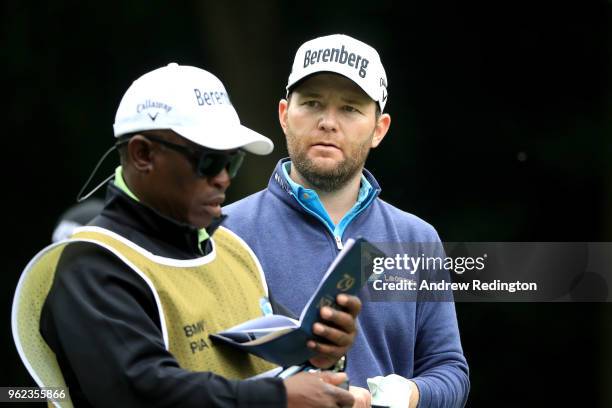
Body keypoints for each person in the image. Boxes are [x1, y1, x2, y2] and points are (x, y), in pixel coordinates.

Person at [14, 63, 362, 407]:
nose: (224, 178)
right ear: (143, 154)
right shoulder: (92, 264)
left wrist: (319, 351)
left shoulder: (233, 249)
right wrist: (279, 398)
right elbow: (142, 390)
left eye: (232, 161)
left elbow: (280, 366)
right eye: (209, 161)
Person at [223, 34, 470, 407]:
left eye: (351, 109)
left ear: (379, 129)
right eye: (312, 103)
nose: (327, 122)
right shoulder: (226, 231)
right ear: (284, 115)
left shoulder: (417, 238)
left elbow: (450, 372)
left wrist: (396, 396)